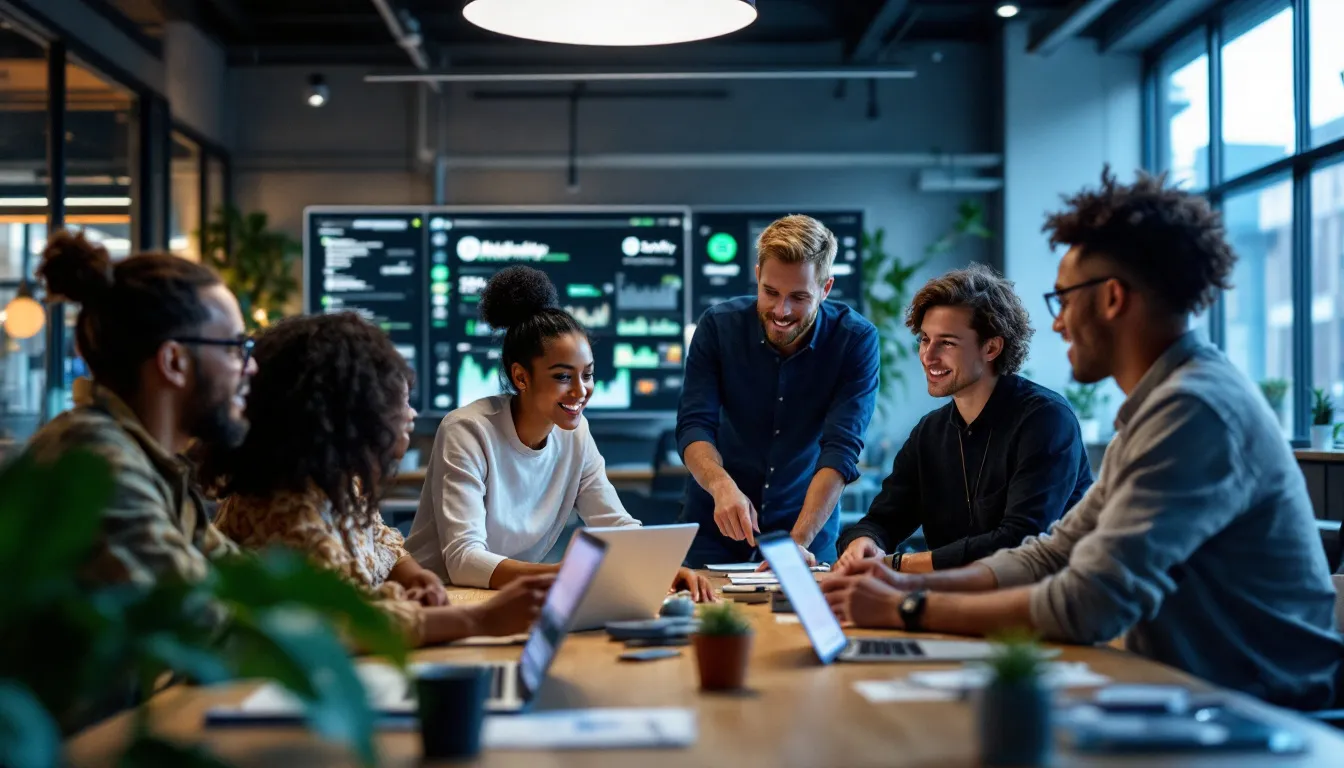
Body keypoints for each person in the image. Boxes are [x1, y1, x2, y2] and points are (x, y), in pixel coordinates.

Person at [822, 167, 1343, 710]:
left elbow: (1088, 602)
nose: (1058, 324)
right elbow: (1051, 554)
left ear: (1113, 298)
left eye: (1064, 299)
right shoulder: (1159, 407)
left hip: (1264, 716)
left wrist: (908, 607)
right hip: (1187, 695)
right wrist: (900, 587)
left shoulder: (1194, 409)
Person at [206, 313, 552, 646]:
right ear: (346, 414)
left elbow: (379, 538)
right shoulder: (287, 507)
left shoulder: (335, 483)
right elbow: (337, 626)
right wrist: (480, 621)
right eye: (395, 402)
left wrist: (412, 574)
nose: (410, 414)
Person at [406, 266, 715, 600]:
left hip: (506, 598)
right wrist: (568, 573)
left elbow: (616, 524)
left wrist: (661, 566)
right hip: (433, 600)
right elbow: (463, 560)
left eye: (588, 374)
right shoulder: (466, 431)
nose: (581, 391)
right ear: (521, 378)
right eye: (563, 377)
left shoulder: (575, 433)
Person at [24, 231, 251, 609]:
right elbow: (197, 619)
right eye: (236, 348)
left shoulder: (149, 462)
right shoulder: (98, 464)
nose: (251, 366)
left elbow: (241, 582)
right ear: (173, 362)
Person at [834, 264, 1092, 573]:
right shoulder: (930, 432)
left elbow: (1020, 541)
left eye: (947, 342)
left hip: (1044, 608)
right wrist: (864, 543)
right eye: (925, 340)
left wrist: (899, 564)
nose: (928, 357)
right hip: (957, 603)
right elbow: (883, 519)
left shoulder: (1046, 420)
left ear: (991, 347)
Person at [676, 214, 879, 567]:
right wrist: (722, 487)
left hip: (807, 530)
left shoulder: (855, 341)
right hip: (715, 527)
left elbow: (841, 449)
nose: (781, 311)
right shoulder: (718, 327)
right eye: (770, 292)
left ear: (825, 289)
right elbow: (694, 424)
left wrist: (797, 543)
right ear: (757, 276)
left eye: (798, 297)